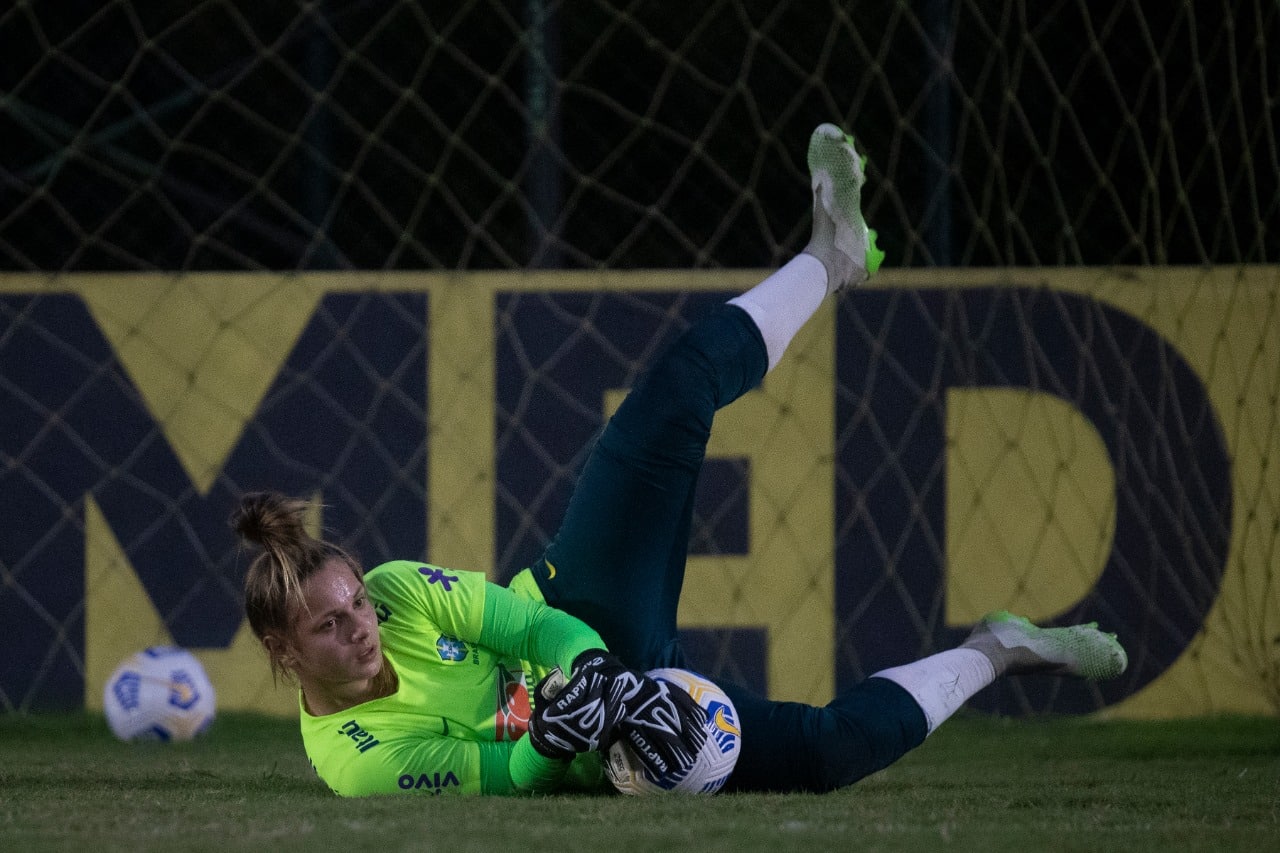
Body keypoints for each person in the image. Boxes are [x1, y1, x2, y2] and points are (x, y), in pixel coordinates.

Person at [232, 124, 1128, 797]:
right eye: (329, 626)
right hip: (604, 754)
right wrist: (557, 736)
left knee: (669, 396)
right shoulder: (354, 763)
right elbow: (503, 779)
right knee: (821, 754)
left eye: (352, 602)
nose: (360, 624)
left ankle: (833, 255)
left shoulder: (393, 589)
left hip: (584, 610)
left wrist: (582, 664)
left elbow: (526, 625)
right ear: (282, 650)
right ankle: (1000, 650)